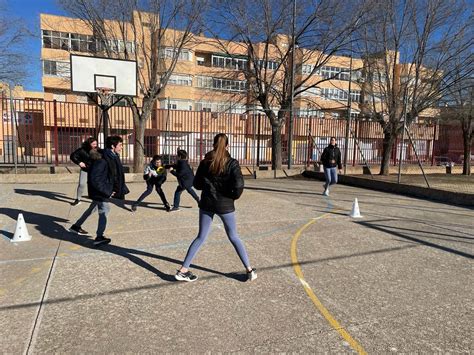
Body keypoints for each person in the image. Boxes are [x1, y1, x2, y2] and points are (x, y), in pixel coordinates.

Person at [174, 133, 257, 282]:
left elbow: (197, 184)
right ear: (227, 146)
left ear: (213, 145)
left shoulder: (205, 162)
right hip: (225, 205)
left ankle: (183, 270)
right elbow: (238, 185)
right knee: (233, 236)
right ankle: (249, 270)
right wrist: (232, 196)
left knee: (201, 237)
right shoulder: (232, 163)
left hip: (207, 203)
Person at [69, 135, 129, 246]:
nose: (121, 147)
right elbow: (95, 179)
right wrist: (107, 191)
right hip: (100, 191)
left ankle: (76, 226)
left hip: (102, 189)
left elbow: (115, 174)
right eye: (120, 145)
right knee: (104, 209)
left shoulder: (112, 156)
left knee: (93, 208)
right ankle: (99, 237)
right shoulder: (103, 159)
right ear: (113, 146)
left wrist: (120, 187)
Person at [70, 137, 98, 206]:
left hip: (95, 170)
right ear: (89, 144)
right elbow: (73, 156)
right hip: (85, 169)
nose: (95, 145)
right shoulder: (82, 150)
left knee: (94, 185)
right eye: (93, 144)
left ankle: (95, 199)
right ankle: (78, 199)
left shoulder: (97, 150)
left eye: (96, 144)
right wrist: (79, 162)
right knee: (81, 184)